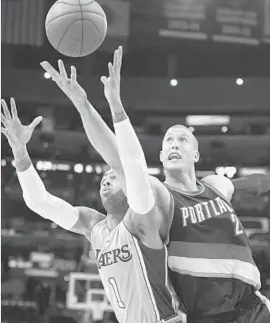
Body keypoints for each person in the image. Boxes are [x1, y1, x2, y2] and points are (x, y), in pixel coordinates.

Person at [41, 46, 270, 323]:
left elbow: (257, 183)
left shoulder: (217, 186)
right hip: (208, 318)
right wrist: (87, 105)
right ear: (161, 157)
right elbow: (118, 160)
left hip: (255, 308)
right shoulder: (159, 196)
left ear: (195, 154)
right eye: (168, 141)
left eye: (182, 139)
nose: (174, 143)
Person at [1, 103, 183, 321]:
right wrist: (20, 152)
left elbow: (133, 166)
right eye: (104, 178)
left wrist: (111, 108)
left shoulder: (142, 219)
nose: (106, 180)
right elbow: (40, 202)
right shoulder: (92, 224)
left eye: (113, 177)